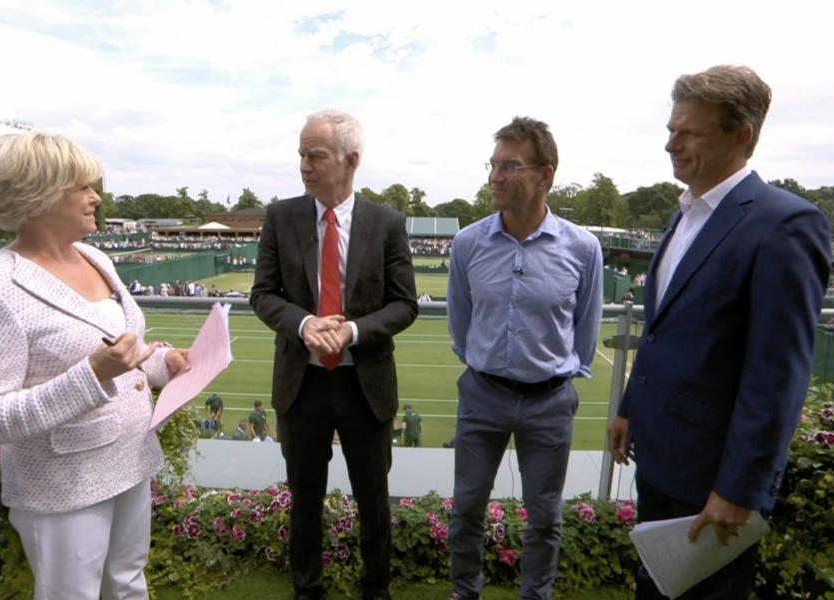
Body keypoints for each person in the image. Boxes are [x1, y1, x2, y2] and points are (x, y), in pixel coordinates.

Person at [608, 65, 831, 600]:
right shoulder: (684, 215)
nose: (670, 145)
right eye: (670, 130)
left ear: (741, 135)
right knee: (657, 587)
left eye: (687, 132)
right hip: (661, 458)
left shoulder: (786, 225)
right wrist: (629, 408)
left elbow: (778, 374)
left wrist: (738, 489)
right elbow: (664, 332)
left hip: (713, 479)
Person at [0, 132, 190, 599]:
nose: (95, 196)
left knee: (128, 584)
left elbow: (124, 355)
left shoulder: (95, 257)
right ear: (35, 195)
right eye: (81, 186)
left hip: (130, 459)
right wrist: (92, 375)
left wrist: (162, 364)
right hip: (61, 484)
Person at [250, 109, 418, 600]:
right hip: (302, 385)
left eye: (315, 155)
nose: (304, 164)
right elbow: (263, 294)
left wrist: (353, 331)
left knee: (373, 499)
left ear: (351, 160)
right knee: (304, 498)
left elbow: (405, 305)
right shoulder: (281, 217)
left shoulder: (386, 223)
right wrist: (304, 324)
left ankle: (376, 590)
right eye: (301, 154)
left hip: (363, 385)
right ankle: (308, 590)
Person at [446, 117, 603, 600]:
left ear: (545, 175)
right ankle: (465, 591)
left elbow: (585, 333)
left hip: (550, 402)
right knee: (468, 506)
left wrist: (552, 376)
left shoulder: (582, 248)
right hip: (483, 394)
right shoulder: (468, 243)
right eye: (492, 164)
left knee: (545, 515)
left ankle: (537, 595)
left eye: (510, 166)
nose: (495, 176)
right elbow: (461, 325)